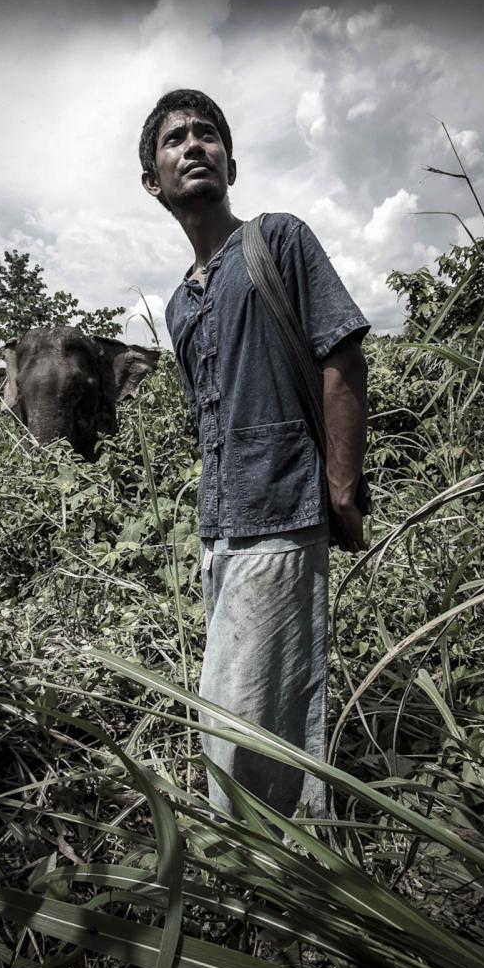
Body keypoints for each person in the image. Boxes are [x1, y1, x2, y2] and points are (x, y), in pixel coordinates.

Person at [139, 89, 370, 821]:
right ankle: (277, 852)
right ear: (154, 181)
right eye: (175, 140)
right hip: (219, 525)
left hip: (281, 505)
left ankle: (270, 863)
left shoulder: (280, 241)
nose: (193, 145)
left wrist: (339, 487)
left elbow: (342, 357)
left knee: (240, 710)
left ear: (231, 163)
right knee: (248, 699)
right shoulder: (179, 304)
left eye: (207, 134)